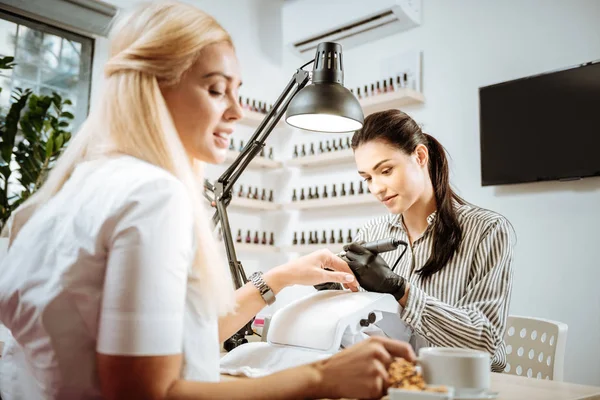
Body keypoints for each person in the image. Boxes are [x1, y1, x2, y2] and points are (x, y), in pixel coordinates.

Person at [0, 2, 415, 399]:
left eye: (237, 92)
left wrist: (280, 277)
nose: (236, 111)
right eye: (216, 89)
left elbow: (169, 342)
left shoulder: (57, 198)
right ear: (152, 88)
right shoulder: (153, 196)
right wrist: (320, 377)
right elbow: (146, 392)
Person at [341, 109, 515, 372]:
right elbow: (360, 329)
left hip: (462, 386)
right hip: (394, 383)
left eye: (385, 170)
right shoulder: (370, 233)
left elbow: (485, 344)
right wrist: (337, 295)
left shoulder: (486, 231)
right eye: (367, 178)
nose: (376, 188)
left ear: (420, 156)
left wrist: (402, 291)